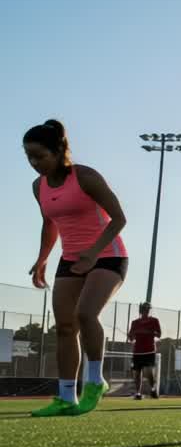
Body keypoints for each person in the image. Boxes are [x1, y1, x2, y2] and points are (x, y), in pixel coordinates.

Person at [23, 120, 128, 417]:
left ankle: (95, 381)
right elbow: (49, 224)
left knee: (85, 314)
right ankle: (66, 397)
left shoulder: (86, 177)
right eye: (29, 156)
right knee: (65, 327)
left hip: (107, 255)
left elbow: (119, 218)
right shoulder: (38, 187)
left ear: (58, 151)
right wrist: (42, 259)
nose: (34, 163)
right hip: (70, 260)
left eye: (40, 156)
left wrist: (93, 253)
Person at [127, 302, 161, 400]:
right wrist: (132, 335)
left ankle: (153, 389)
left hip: (149, 350)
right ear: (141, 310)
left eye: (148, 309)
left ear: (150, 310)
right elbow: (130, 337)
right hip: (137, 351)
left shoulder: (155, 321)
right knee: (137, 373)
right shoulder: (135, 322)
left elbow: (159, 334)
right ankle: (138, 393)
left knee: (149, 371)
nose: (146, 311)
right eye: (144, 309)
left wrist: (148, 332)